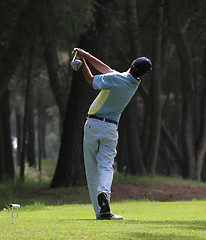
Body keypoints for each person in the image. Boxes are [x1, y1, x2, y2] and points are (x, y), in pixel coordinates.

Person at [73, 48, 152, 220]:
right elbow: (106, 69)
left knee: (92, 169)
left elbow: (91, 79)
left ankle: (100, 212)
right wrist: (85, 54)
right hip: (110, 129)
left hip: (93, 124)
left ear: (131, 64)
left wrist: (82, 63)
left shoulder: (117, 78)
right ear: (144, 74)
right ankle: (104, 195)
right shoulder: (133, 83)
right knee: (106, 166)